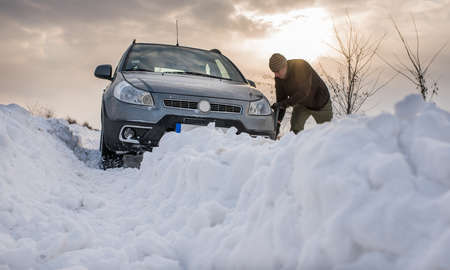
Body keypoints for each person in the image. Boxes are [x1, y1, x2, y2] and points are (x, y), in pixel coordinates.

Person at [269, 53, 332, 135]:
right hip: (302, 104)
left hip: (320, 103)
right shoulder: (279, 78)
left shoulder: (301, 66)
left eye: (277, 71)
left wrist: (283, 103)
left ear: (285, 66)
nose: (276, 75)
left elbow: (303, 93)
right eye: (274, 72)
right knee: (295, 132)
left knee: (327, 133)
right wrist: (277, 123)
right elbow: (281, 101)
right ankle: (295, 146)